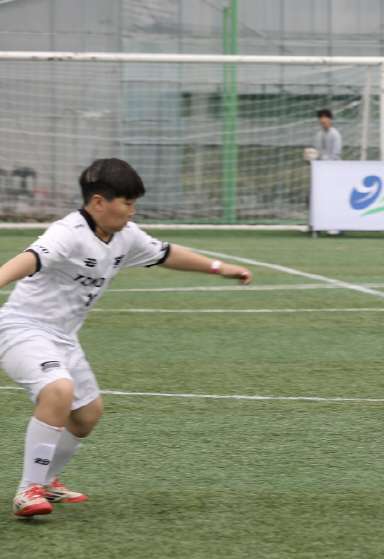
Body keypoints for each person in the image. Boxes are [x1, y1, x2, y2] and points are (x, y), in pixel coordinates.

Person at [3, 158, 253, 517]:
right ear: (99, 202)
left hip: (64, 337)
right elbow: (29, 259)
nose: (132, 212)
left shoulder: (126, 235)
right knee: (58, 390)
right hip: (22, 328)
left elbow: (165, 253)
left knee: (87, 414)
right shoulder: (68, 232)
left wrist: (219, 267)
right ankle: (28, 490)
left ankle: (47, 481)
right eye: (127, 203)